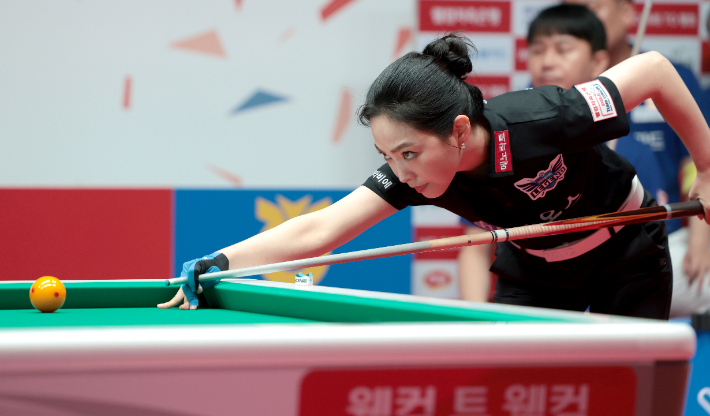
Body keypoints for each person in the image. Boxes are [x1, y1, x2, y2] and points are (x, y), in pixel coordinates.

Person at [158, 33, 710, 321]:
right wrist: (219, 261)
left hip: (627, 252)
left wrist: (707, 168)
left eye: (408, 153)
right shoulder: (412, 172)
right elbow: (320, 230)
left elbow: (654, 70)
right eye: (387, 155)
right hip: (535, 270)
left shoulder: (545, 117)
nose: (400, 171)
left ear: (459, 131)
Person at [456, 3, 615, 303]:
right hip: (539, 284)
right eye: (538, 50)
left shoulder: (626, 129)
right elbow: (475, 245)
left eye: (563, 49)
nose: (547, 62)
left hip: (615, 274)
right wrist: (476, 318)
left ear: (598, 61)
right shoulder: (503, 131)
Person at [565, 0, 710, 317]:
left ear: (627, 12)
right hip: (580, 247)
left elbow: (697, 164)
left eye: (593, 7)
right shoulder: (556, 87)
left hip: (667, 238)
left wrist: (700, 241)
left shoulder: (674, 77)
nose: (582, 18)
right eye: (573, 8)